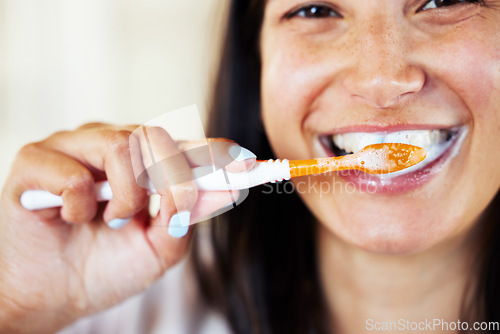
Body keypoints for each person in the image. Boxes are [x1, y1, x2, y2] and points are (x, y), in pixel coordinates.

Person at [1, 0, 499, 333]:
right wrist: (15, 306)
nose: (382, 80)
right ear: (256, 63)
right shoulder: (115, 312)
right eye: (314, 8)